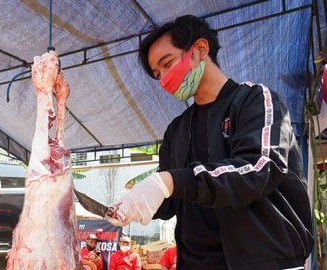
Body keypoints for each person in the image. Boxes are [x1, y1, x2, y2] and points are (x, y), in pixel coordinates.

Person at [106, 15, 314, 269]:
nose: (164, 80)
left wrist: (170, 181)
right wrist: (135, 203)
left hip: (265, 261)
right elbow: (172, 197)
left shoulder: (255, 100)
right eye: (157, 74)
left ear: (200, 50)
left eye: (167, 63)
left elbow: (259, 168)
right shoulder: (177, 130)